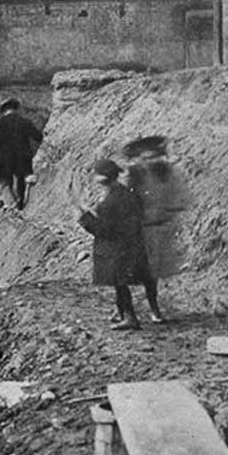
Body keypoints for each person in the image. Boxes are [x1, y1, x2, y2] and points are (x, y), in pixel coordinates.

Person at [78, 158, 150, 331]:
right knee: (120, 283)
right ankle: (121, 313)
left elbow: (103, 230)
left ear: (102, 179)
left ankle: (130, 317)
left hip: (115, 249)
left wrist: (84, 218)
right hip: (131, 244)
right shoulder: (127, 194)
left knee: (120, 284)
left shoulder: (110, 202)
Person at [124, 136, 188, 324]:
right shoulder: (134, 175)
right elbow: (128, 201)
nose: (149, 162)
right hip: (138, 229)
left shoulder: (166, 173)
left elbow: (179, 198)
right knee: (129, 271)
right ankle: (123, 309)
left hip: (158, 230)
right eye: (145, 158)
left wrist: (170, 212)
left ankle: (154, 307)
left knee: (153, 274)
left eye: (153, 157)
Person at [0, 98, 44, 209]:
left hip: (6, 157)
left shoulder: (0, 123)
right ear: (15, 109)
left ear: (4, 111)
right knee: (21, 178)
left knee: (7, 180)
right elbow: (38, 136)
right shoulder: (24, 121)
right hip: (23, 156)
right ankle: (21, 202)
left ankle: (12, 202)